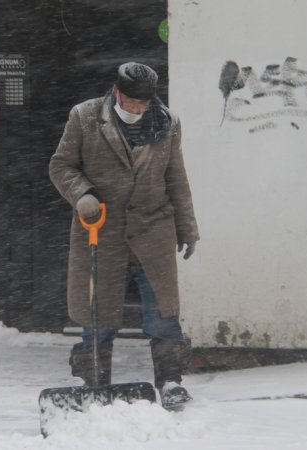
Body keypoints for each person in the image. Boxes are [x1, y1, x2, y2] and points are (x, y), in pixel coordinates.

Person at [48, 62, 200, 409]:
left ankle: (171, 382)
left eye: (143, 104)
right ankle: (92, 382)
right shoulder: (85, 117)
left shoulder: (168, 123)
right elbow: (61, 165)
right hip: (100, 230)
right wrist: (82, 193)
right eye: (131, 102)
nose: (137, 109)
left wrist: (187, 227)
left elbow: (176, 177)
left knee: (163, 313)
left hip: (153, 230)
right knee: (97, 313)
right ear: (117, 93)